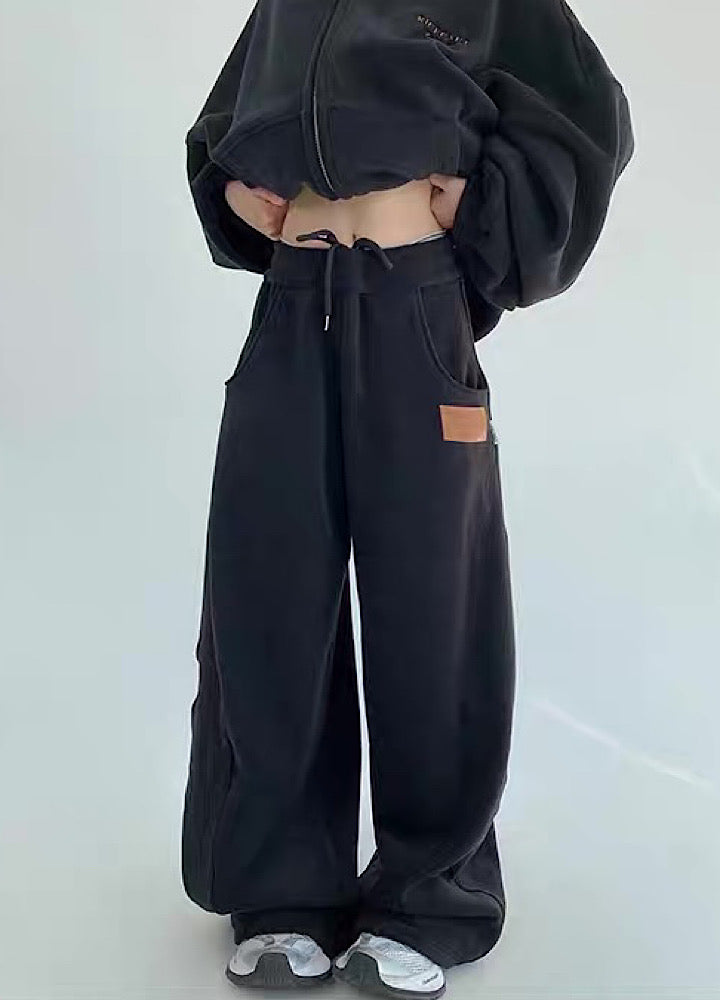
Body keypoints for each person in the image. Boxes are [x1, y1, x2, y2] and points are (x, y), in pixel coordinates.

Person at [179, 1, 635, 996]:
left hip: (414, 309)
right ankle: (281, 890)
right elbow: (223, 122)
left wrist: (478, 207)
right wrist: (236, 188)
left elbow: (590, 116)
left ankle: (431, 899)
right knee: (267, 600)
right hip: (290, 305)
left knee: (433, 611)